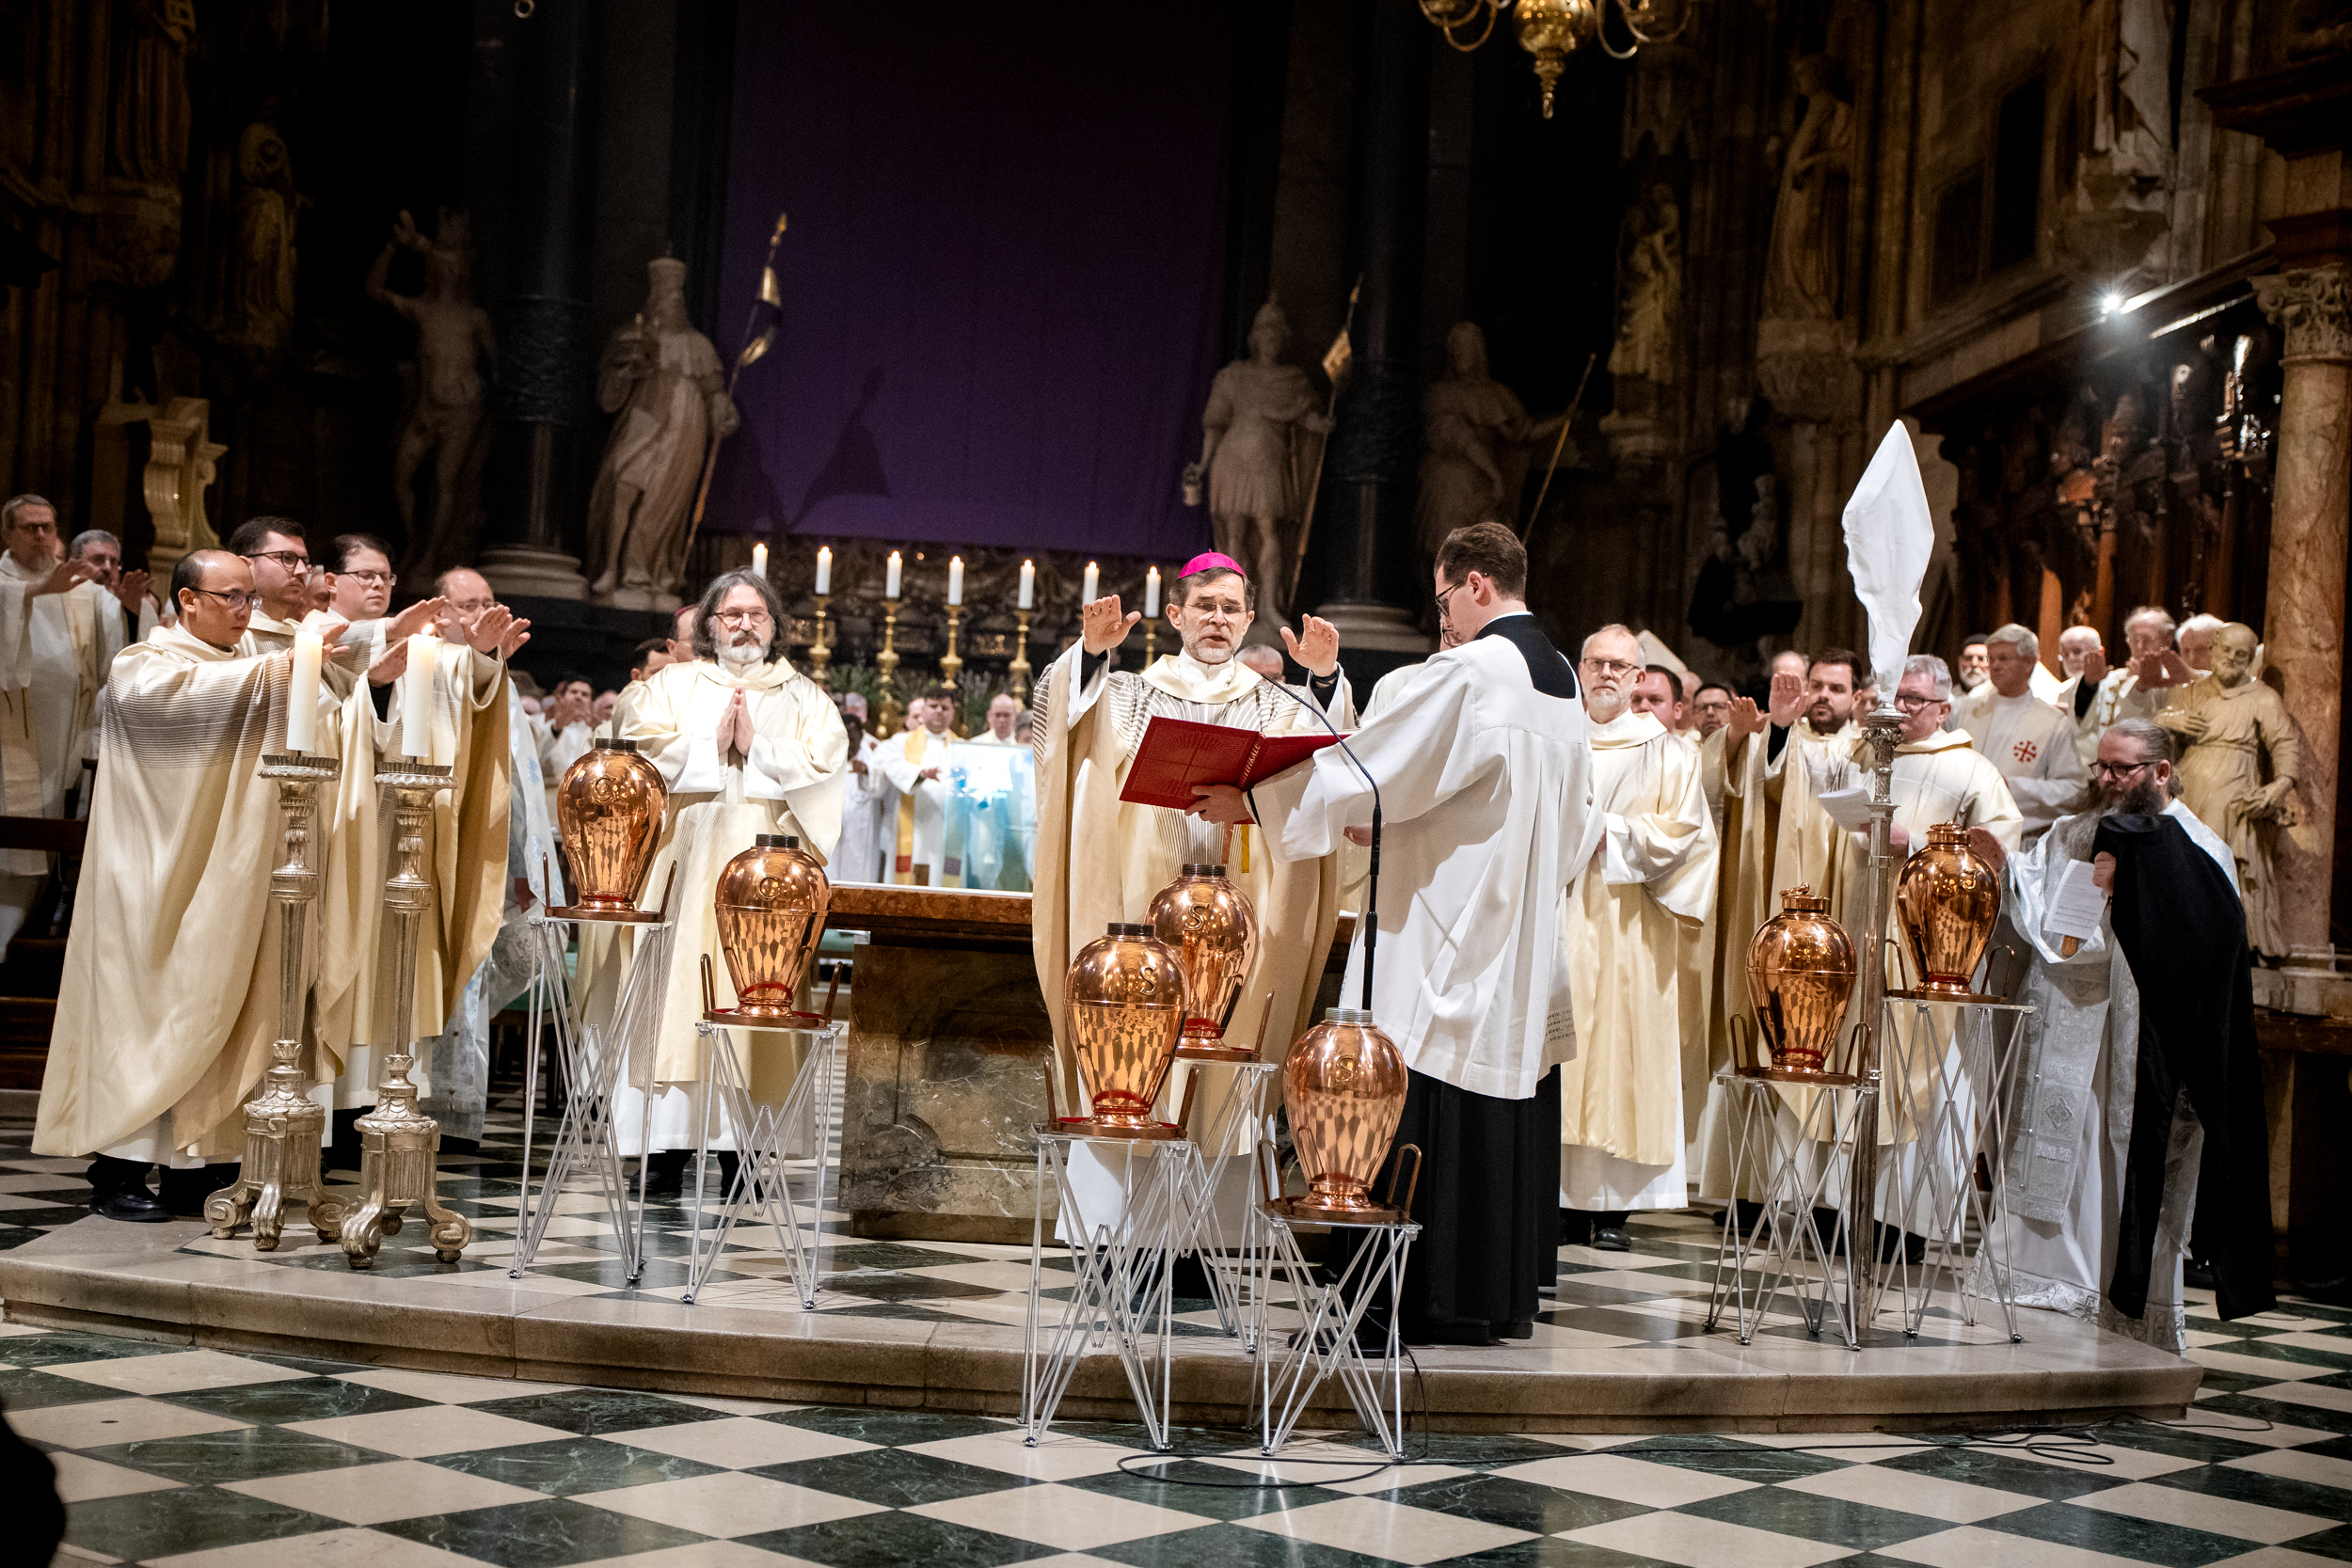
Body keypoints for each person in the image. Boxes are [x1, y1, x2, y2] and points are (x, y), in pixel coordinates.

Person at [1192, 521, 1594, 1345]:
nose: (1443, 620)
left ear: (1477, 584)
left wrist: (1256, 799)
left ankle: (1391, 1304)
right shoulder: (1560, 680)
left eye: (1445, 601)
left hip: (1442, 929)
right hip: (1515, 935)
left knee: (1407, 1080)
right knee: (1492, 1097)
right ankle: (1486, 1303)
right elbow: (1572, 820)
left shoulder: (1473, 671)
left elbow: (1375, 767)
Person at [36, 552, 354, 1217]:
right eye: (231, 596)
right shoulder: (144, 665)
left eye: (248, 598)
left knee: (217, 1011)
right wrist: (287, 666)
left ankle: (196, 1167)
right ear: (187, 600)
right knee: (143, 1018)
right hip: (147, 879)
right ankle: (118, 1170)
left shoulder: (252, 667)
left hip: (225, 876)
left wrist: (311, 669)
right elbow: (185, 701)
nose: (245, 610)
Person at [1973, 719, 2276, 1334]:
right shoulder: (2074, 831)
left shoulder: (2200, 849)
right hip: (2069, 1029)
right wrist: (2003, 868)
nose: (2108, 780)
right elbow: (2039, 900)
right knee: (2069, 1153)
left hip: (2143, 1043)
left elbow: (2207, 948)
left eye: (2123, 769)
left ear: (2161, 771)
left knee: (2127, 1162)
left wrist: (2131, 895)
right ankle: (2048, 1288)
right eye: (2102, 767)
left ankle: (2124, 1298)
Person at [1031, 549, 1353, 1111]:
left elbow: (1323, 760)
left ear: (1247, 620)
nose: (1218, 619)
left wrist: (1323, 677)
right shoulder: (1130, 693)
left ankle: (1222, 1149)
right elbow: (1067, 729)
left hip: (1243, 912)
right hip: (1141, 899)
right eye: (1205, 606)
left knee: (1231, 1057)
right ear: (1177, 616)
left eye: (1231, 608)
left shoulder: (1274, 702)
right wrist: (1090, 653)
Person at [618, 568, 847, 1187]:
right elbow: (632, 750)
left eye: (756, 614)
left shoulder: (804, 697)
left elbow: (828, 768)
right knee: (675, 995)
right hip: (687, 862)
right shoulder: (670, 686)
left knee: (756, 988)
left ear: (774, 624)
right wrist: (707, 745)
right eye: (732, 614)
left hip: (770, 878)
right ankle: (664, 1149)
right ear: (710, 625)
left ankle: (741, 1150)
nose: (745, 625)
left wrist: (760, 748)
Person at [1559, 626, 1718, 1252]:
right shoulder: (1556, 739)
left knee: (1623, 1052)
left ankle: (1614, 1208)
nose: (1605, 673)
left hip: (1631, 924)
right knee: (1562, 1049)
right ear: (1580, 668)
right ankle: (1556, 1199)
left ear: (1637, 678)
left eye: (1618, 666)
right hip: (1558, 915)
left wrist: (1610, 834)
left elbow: (1687, 834)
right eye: (1595, 662)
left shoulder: (1669, 753)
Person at [0, 497, 146, 954]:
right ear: (7, 534)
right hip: (11, 742)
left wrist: (130, 609)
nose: (41, 535)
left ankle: (31, 949)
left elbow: (117, 662)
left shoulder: (82, 590)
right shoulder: (4, 585)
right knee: (13, 848)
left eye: (47, 526)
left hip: (69, 738)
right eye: (30, 527)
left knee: (53, 843)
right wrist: (33, 592)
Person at [2157, 622, 2301, 958]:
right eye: (2226, 650)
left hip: (2233, 784)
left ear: (2250, 658)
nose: (2232, 659)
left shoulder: (2263, 697)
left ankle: (2218, 939)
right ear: (2213, 650)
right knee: (2178, 857)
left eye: (2241, 654)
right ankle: (2180, 933)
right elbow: (2154, 733)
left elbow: (2284, 742)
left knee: (2217, 859)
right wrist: (2169, 720)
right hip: (2188, 783)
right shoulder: (2190, 691)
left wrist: (2281, 784)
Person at [1954, 624, 2087, 843]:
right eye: (1991, 659)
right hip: (1962, 834)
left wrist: (2013, 787)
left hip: (2017, 840)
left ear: (2029, 663)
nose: (1995, 666)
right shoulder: (1967, 709)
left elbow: (2074, 792)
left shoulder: (2053, 722)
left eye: (2003, 659)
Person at [875, 685, 962, 886]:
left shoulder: (962, 747)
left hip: (945, 829)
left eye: (944, 707)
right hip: (912, 825)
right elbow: (889, 763)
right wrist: (918, 774)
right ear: (923, 710)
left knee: (942, 879)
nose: (939, 711)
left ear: (952, 713)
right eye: (933, 706)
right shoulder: (901, 742)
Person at [67, 527, 163, 643]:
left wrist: (130, 613)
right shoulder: (63, 600)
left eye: (113, 562)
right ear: (74, 564)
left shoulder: (139, 605)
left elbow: (145, 650)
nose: (107, 568)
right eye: (98, 560)